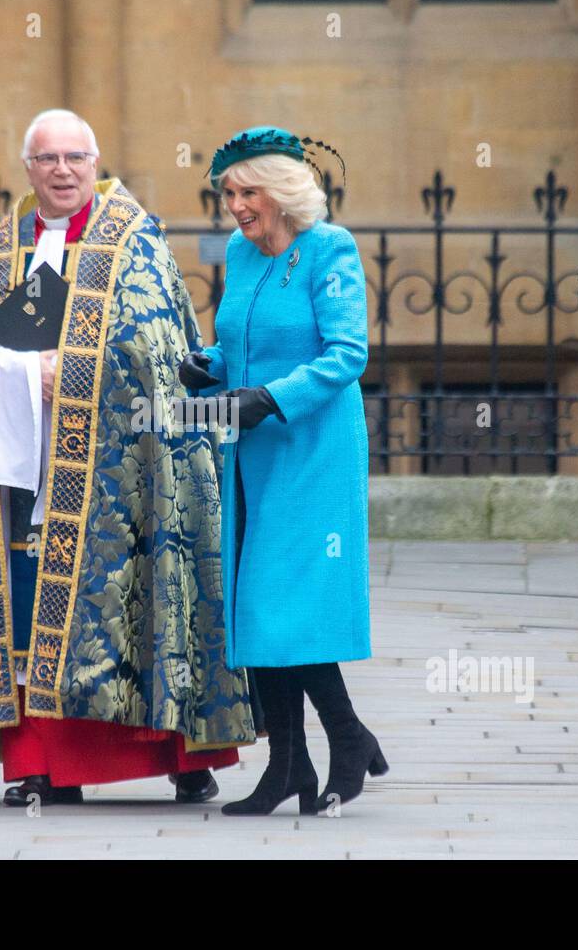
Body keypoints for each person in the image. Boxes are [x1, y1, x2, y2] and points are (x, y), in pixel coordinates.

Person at [0, 109, 253, 807]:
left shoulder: (135, 242)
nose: (61, 171)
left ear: (96, 162)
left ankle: (178, 754)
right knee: (30, 601)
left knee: (141, 597)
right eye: (47, 159)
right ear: (28, 168)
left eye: (74, 157)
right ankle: (39, 764)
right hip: (22, 468)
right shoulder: (5, 249)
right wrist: (13, 373)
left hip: (122, 468)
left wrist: (76, 370)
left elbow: (158, 349)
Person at [179, 126, 386, 816]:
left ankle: (343, 743)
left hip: (313, 447)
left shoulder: (331, 248)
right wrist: (206, 364)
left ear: (282, 190)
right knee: (259, 609)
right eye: (227, 194)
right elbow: (241, 338)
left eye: (247, 191)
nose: (235, 206)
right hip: (253, 447)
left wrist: (270, 397)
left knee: (278, 603)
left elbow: (346, 354)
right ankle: (295, 766)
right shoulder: (242, 253)